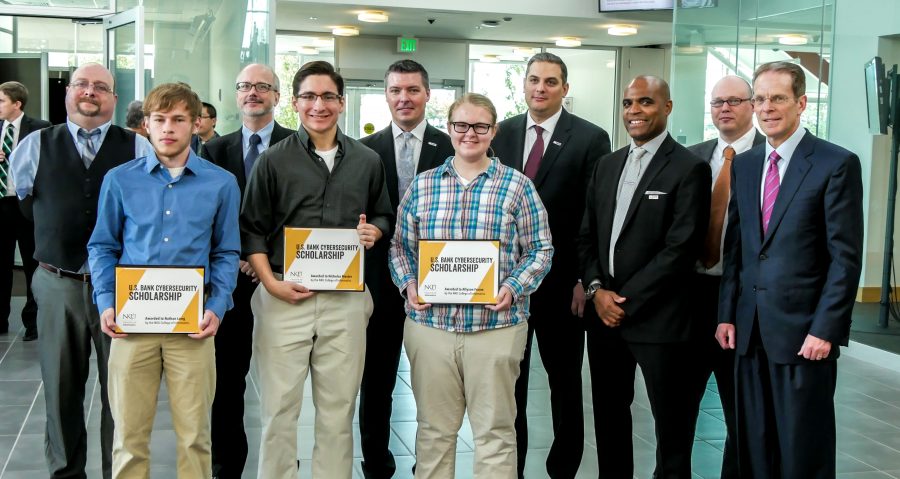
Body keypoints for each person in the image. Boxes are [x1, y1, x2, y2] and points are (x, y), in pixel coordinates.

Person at [240, 60, 393, 478]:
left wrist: (374, 234)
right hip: (283, 299)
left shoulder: (367, 161)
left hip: (346, 302)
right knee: (278, 410)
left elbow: (384, 214)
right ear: (294, 102)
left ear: (341, 103)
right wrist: (271, 284)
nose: (318, 105)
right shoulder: (273, 161)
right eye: (309, 96)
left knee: (338, 411)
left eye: (328, 96)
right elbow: (251, 229)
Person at [389, 92, 554, 478]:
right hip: (431, 329)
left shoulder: (517, 186)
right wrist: (409, 284)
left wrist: (513, 286)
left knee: (495, 432)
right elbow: (399, 247)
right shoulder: (423, 185)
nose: (470, 134)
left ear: (493, 131)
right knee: (433, 431)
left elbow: (541, 249)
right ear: (449, 129)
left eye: (480, 126)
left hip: (495, 328)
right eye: (461, 125)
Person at [717, 61, 863, 479]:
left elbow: (845, 258)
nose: (766, 108)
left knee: (803, 447)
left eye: (777, 98)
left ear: (801, 103)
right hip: (749, 331)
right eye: (760, 99)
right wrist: (727, 314)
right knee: (754, 444)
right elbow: (739, 249)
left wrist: (825, 329)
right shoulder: (745, 164)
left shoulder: (835, 163)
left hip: (804, 334)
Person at [87, 82, 240, 478]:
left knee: (194, 438)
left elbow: (226, 252)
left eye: (178, 119)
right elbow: (103, 246)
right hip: (130, 326)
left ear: (195, 124)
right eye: (160, 120)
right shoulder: (120, 180)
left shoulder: (221, 183)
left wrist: (216, 307)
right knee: (129, 437)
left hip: (193, 329)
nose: (168, 128)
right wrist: (106, 301)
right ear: (147, 125)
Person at [10, 62, 153, 479]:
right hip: (58, 282)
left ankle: (119, 472)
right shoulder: (35, 145)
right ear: (68, 92)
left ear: (113, 98)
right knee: (60, 389)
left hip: (123, 287)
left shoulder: (139, 148)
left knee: (122, 392)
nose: (90, 92)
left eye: (101, 87)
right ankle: (66, 473)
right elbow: (23, 203)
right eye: (82, 85)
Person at [578, 75, 710, 478]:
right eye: (628, 103)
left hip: (660, 319)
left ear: (667, 107)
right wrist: (598, 290)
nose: (634, 111)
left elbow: (680, 249)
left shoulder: (690, 168)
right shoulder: (607, 164)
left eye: (645, 102)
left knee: (671, 421)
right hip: (604, 317)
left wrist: (625, 301)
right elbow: (588, 237)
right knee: (609, 415)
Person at [491, 52, 611, 479]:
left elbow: (594, 214)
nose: (541, 88)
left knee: (564, 384)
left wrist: (585, 279)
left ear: (565, 88)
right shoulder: (499, 133)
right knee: (511, 387)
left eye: (551, 82)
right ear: (523, 85)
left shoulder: (591, 138)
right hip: (507, 285)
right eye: (534, 80)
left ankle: (563, 469)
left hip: (564, 286)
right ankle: (513, 468)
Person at [357, 58, 454, 479]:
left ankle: (428, 463)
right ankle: (377, 461)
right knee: (376, 380)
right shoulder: (361, 150)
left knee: (433, 382)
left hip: (441, 281)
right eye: (396, 90)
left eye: (413, 90)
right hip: (377, 280)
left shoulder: (451, 145)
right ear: (386, 95)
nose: (404, 98)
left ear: (428, 94)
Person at [203, 63, 294, 479]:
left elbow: (303, 211)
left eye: (262, 87)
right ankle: (227, 467)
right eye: (244, 86)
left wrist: (264, 260)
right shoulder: (214, 150)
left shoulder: (299, 145)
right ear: (235, 95)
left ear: (277, 96)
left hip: (281, 277)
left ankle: (281, 465)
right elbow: (207, 214)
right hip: (230, 281)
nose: (252, 93)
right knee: (227, 383)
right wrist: (240, 256)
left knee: (285, 384)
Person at [684, 74, 763, 479]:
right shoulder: (693, 157)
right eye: (717, 102)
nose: (725, 108)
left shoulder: (769, 157)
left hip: (744, 302)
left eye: (734, 100)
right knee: (678, 407)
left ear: (752, 105)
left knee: (741, 410)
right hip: (691, 297)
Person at [0, 81, 49, 341]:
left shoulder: (40, 129)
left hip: (26, 205)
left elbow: (48, 165)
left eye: (1, 101)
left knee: (32, 265)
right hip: (0, 203)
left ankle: (33, 322)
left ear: (16, 104)